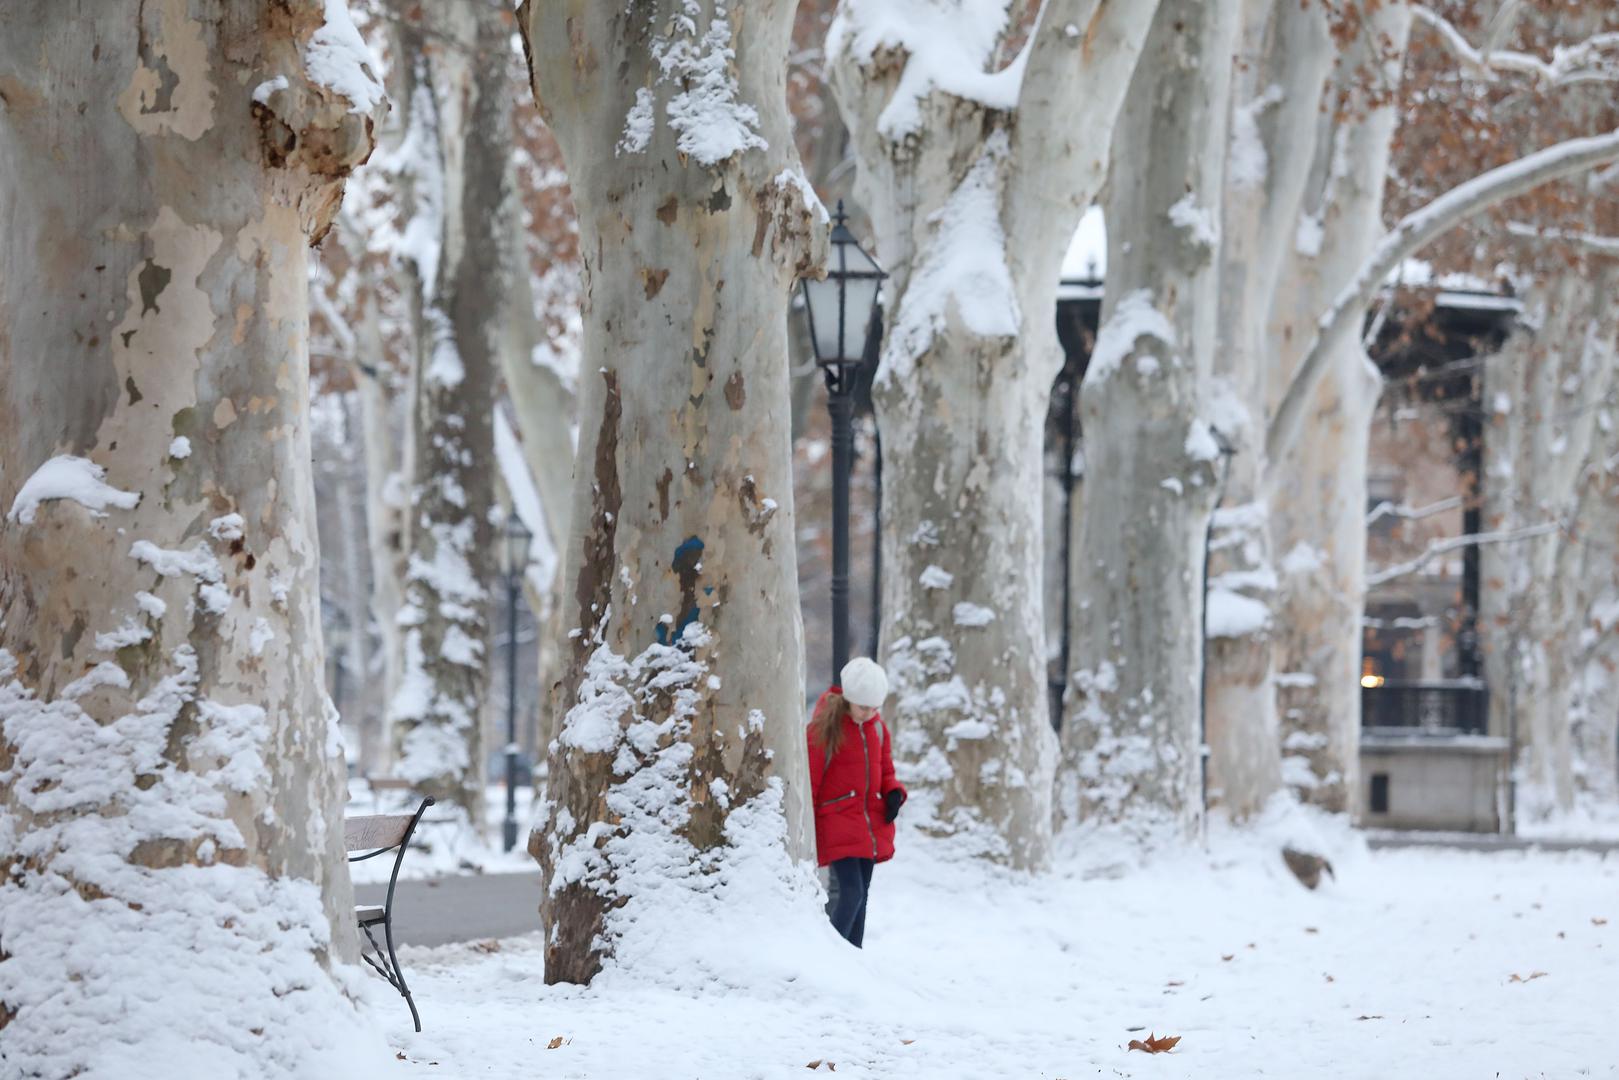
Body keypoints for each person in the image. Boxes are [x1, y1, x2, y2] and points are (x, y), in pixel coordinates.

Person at [807, 657, 906, 947]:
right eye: (864, 707)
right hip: (837, 820)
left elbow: (885, 767)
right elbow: (811, 779)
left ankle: (855, 957)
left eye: (875, 707)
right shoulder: (825, 728)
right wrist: (809, 824)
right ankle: (833, 954)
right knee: (851, 894)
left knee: (862, 896)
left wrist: (893, 792)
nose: (869, 713)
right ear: (848, 699)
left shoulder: (876, 728)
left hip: (869, 823)